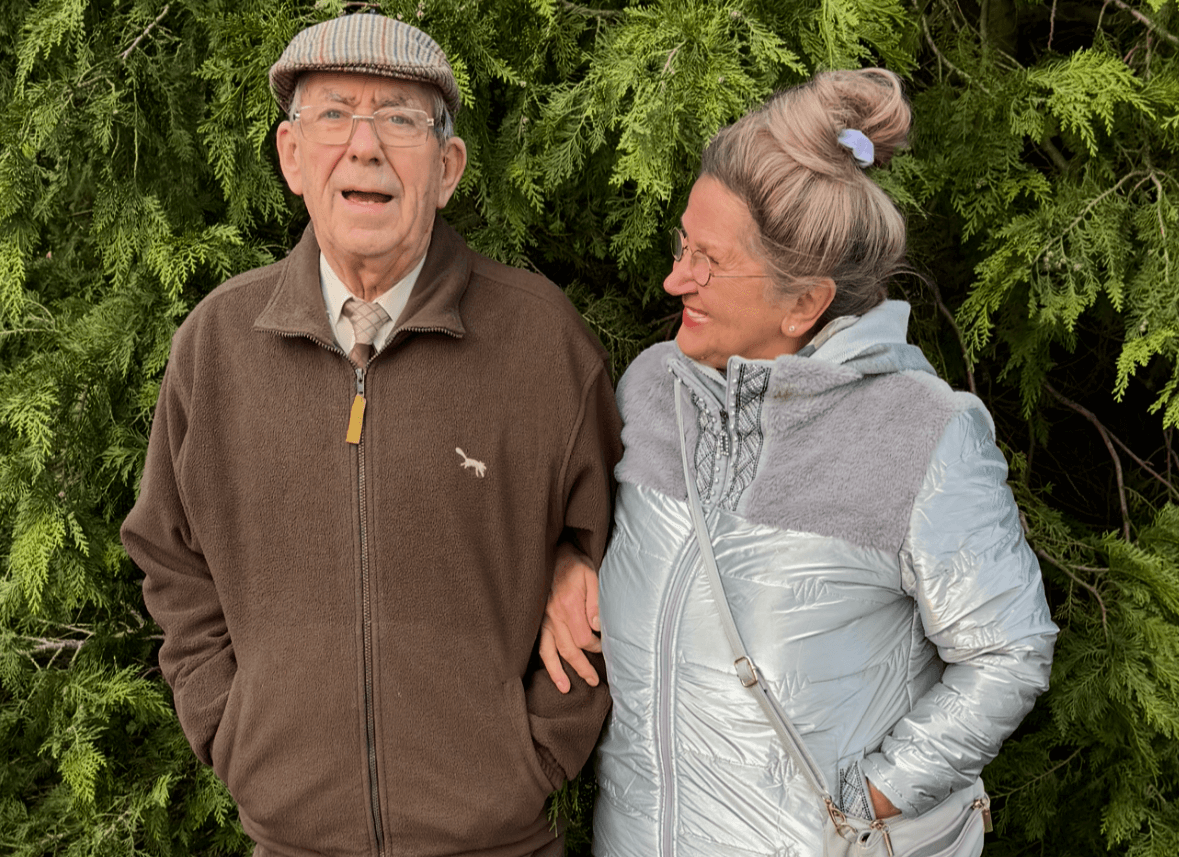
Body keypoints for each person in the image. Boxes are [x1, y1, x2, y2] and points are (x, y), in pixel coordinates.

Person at [121, 13, 620, 857]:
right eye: (334, 114)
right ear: (290, 156)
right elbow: (170, 557)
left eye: (399, 118)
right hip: (288, 840)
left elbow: (627, 550)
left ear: (448, 166)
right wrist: (234, 734)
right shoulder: (215, 344)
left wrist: (534, 744)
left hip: (498, 840)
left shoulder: (541, 342)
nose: (365, 146)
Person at [539, 68, 1057, 855]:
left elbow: (1008, 651)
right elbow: (605, 542)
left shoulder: (919, 433)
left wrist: (870, 798)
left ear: (803, 302)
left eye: (709, 261)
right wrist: (570, 562)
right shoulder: (652, 390)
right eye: (684, 243)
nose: (677, 277)